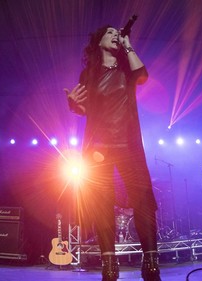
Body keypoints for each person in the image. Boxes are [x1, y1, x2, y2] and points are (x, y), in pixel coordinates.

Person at [64, 25, 161, 281]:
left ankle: (150, 263)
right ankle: (109, 266)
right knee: (102, 206)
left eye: (117, 33)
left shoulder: (127, 69)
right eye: (110, 33)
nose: (115, 35)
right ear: (98, 42)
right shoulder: (89, 74)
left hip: (128, 145)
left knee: (143, 203)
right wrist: (74, 105)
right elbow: (86, 109)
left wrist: (128, 44)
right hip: (98, 149)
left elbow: (142, 75)